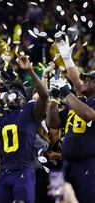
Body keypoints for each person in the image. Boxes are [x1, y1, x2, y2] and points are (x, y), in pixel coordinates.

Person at [0, 54, 49, 202]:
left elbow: (45, 95)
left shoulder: (30, 110)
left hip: (23, 171)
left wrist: (30, 71)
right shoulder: (0, 113)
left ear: (24, 99)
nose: (12, 96)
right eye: (10, 94)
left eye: (17, 94)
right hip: (3, 172)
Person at [47, 36, 95, 202]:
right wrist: (53, 100)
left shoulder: (83, 104)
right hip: (63, 164)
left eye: (90, 78)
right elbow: (52, 123)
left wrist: (66, 91)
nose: (85, 80)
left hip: (88, 165)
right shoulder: (78, 102)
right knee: (56, 198)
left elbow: (89, 115)